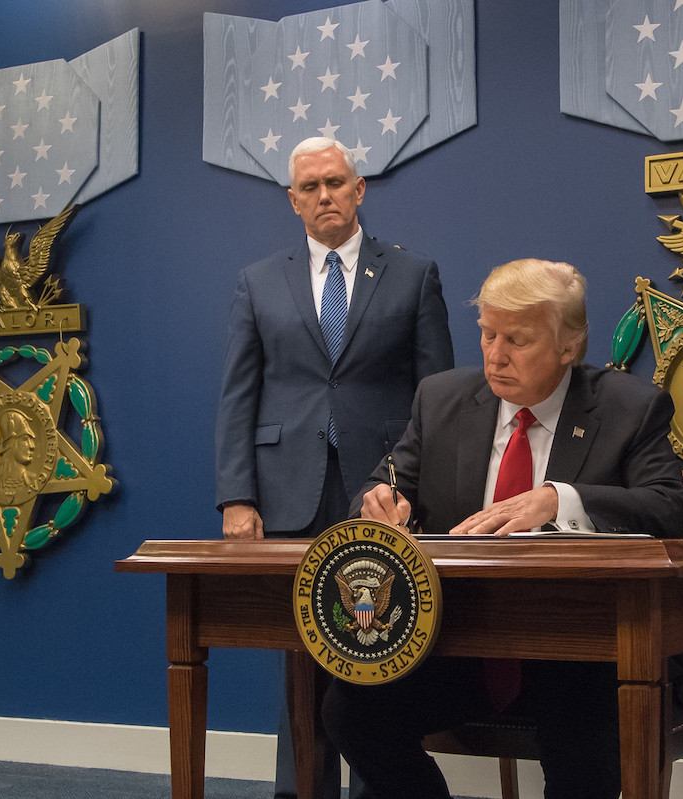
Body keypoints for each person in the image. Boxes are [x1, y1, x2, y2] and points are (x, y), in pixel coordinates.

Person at [322, 258, 683, 799]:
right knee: (352, 708)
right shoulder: (442, 399)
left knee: (581, 736)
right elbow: (385, 486)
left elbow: (667, 508)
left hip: (579, 650)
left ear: (569, 346)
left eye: (517, 340)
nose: (496, 355)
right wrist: (379, 504)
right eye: (488, 334)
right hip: (460, 643)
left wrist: (560, 498)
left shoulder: (629, 407)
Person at [214, 136, 454, 799]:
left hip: (382, 494)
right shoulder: (258, 281)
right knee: (300, 660)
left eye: (335, 182)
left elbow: (438, 401)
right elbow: (238, 397)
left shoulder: (414, 275)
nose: (324, 195)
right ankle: (301, 791)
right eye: (310, 187)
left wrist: (411, 488)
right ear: (293, 201)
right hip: (286, 495)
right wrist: (237, 495)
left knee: (375, 651)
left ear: (359, 189)